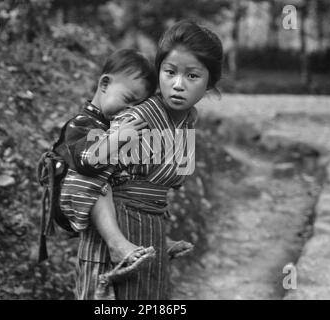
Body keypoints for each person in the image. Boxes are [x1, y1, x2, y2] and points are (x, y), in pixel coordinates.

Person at [73, 20, 224, 300]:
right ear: (160, 72)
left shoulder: (188, 120)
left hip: (149, 235)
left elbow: (154, 187)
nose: (178, 85)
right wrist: (115, 241)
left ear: (210, 82)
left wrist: (161, 240)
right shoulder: (137, 119)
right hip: (114, 236)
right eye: (170, 72)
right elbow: (87, 174)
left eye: (192, 76)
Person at [57, 49, 193, 296]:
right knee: (100, 181)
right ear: (105, 84)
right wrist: (117, 138)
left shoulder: (112, 122)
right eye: (127, 99)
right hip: (77, 196)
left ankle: (158, 241)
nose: (128, 110)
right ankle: (116, 243)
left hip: (111, 202)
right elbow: (85, 162)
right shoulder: (81, 124)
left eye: (135, 106)